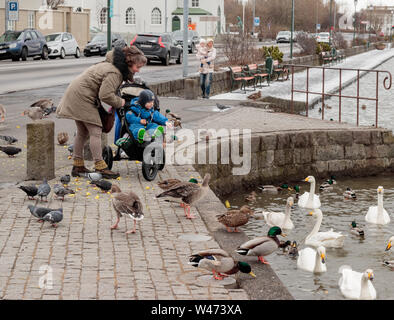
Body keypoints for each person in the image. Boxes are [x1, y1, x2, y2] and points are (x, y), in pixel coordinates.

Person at [56, 45, 147, 179]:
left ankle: (78, 165)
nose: (138, 70)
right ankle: (100, 166)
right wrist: (120, 102)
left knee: (82, 132)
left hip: (76, 94)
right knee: (96, 131)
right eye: (137, 67)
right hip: (83, 97)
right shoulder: (115, 72)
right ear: (129, 62)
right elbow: (105, 95)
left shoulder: (110, 65)